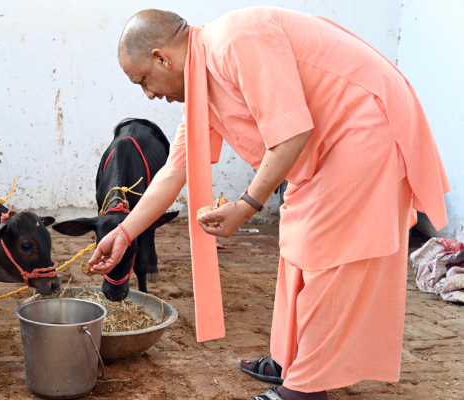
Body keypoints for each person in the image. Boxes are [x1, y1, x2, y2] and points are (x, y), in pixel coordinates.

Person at [86, 7, 450, 400]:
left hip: (366, 126)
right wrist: (124, 233)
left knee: (329, 254)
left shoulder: (236, 41)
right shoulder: (201, 84)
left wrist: (245, 206)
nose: (150, 94)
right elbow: (175, 171)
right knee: (297, 242)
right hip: (330, 142)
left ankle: (303, 390)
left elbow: (291, 133)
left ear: (162, 57)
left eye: (143, 80)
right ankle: (289, 358)